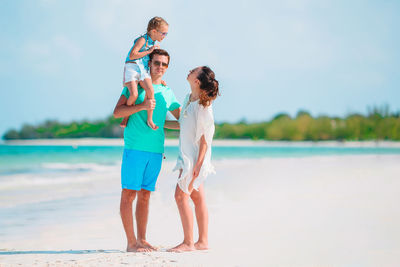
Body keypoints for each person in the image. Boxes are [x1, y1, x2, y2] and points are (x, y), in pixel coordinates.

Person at [113, 49, 181, 252]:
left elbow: (180, 120)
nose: (160, 67)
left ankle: (142, 240)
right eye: (157, 63)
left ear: (167, 68)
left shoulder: (168, 92)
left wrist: (199, 122)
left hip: (156, 152)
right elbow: (118, 112)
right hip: (134, 149)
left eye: (164, 64)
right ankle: (131, 243)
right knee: (128, 195)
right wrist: (142, 106)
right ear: (149, 64)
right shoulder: (134, 86)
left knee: (145, 196)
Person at [169, 66, 220, 252]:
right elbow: (182, 126)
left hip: (194, 160)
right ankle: (203, 242)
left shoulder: (203, 106)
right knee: (197, 198)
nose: (188, 72)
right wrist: (154, 123)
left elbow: (206, 140)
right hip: (186, 157)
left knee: (180, 196)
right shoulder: (189, 99)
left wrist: (198, 165)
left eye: (192, 71)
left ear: (197, 81)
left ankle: (188, 242)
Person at [120, 16, 169, 130]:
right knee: (134, 94)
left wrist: (158, 79)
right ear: (154, 31)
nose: (164, 36)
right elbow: (132, 55)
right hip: (132, 66)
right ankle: (126, 117)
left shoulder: (153, 43)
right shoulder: (143, 40)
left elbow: (150, 62)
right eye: (163, 33)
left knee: (151, 90)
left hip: (143, 69)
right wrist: (149, 51)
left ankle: (150, 120)